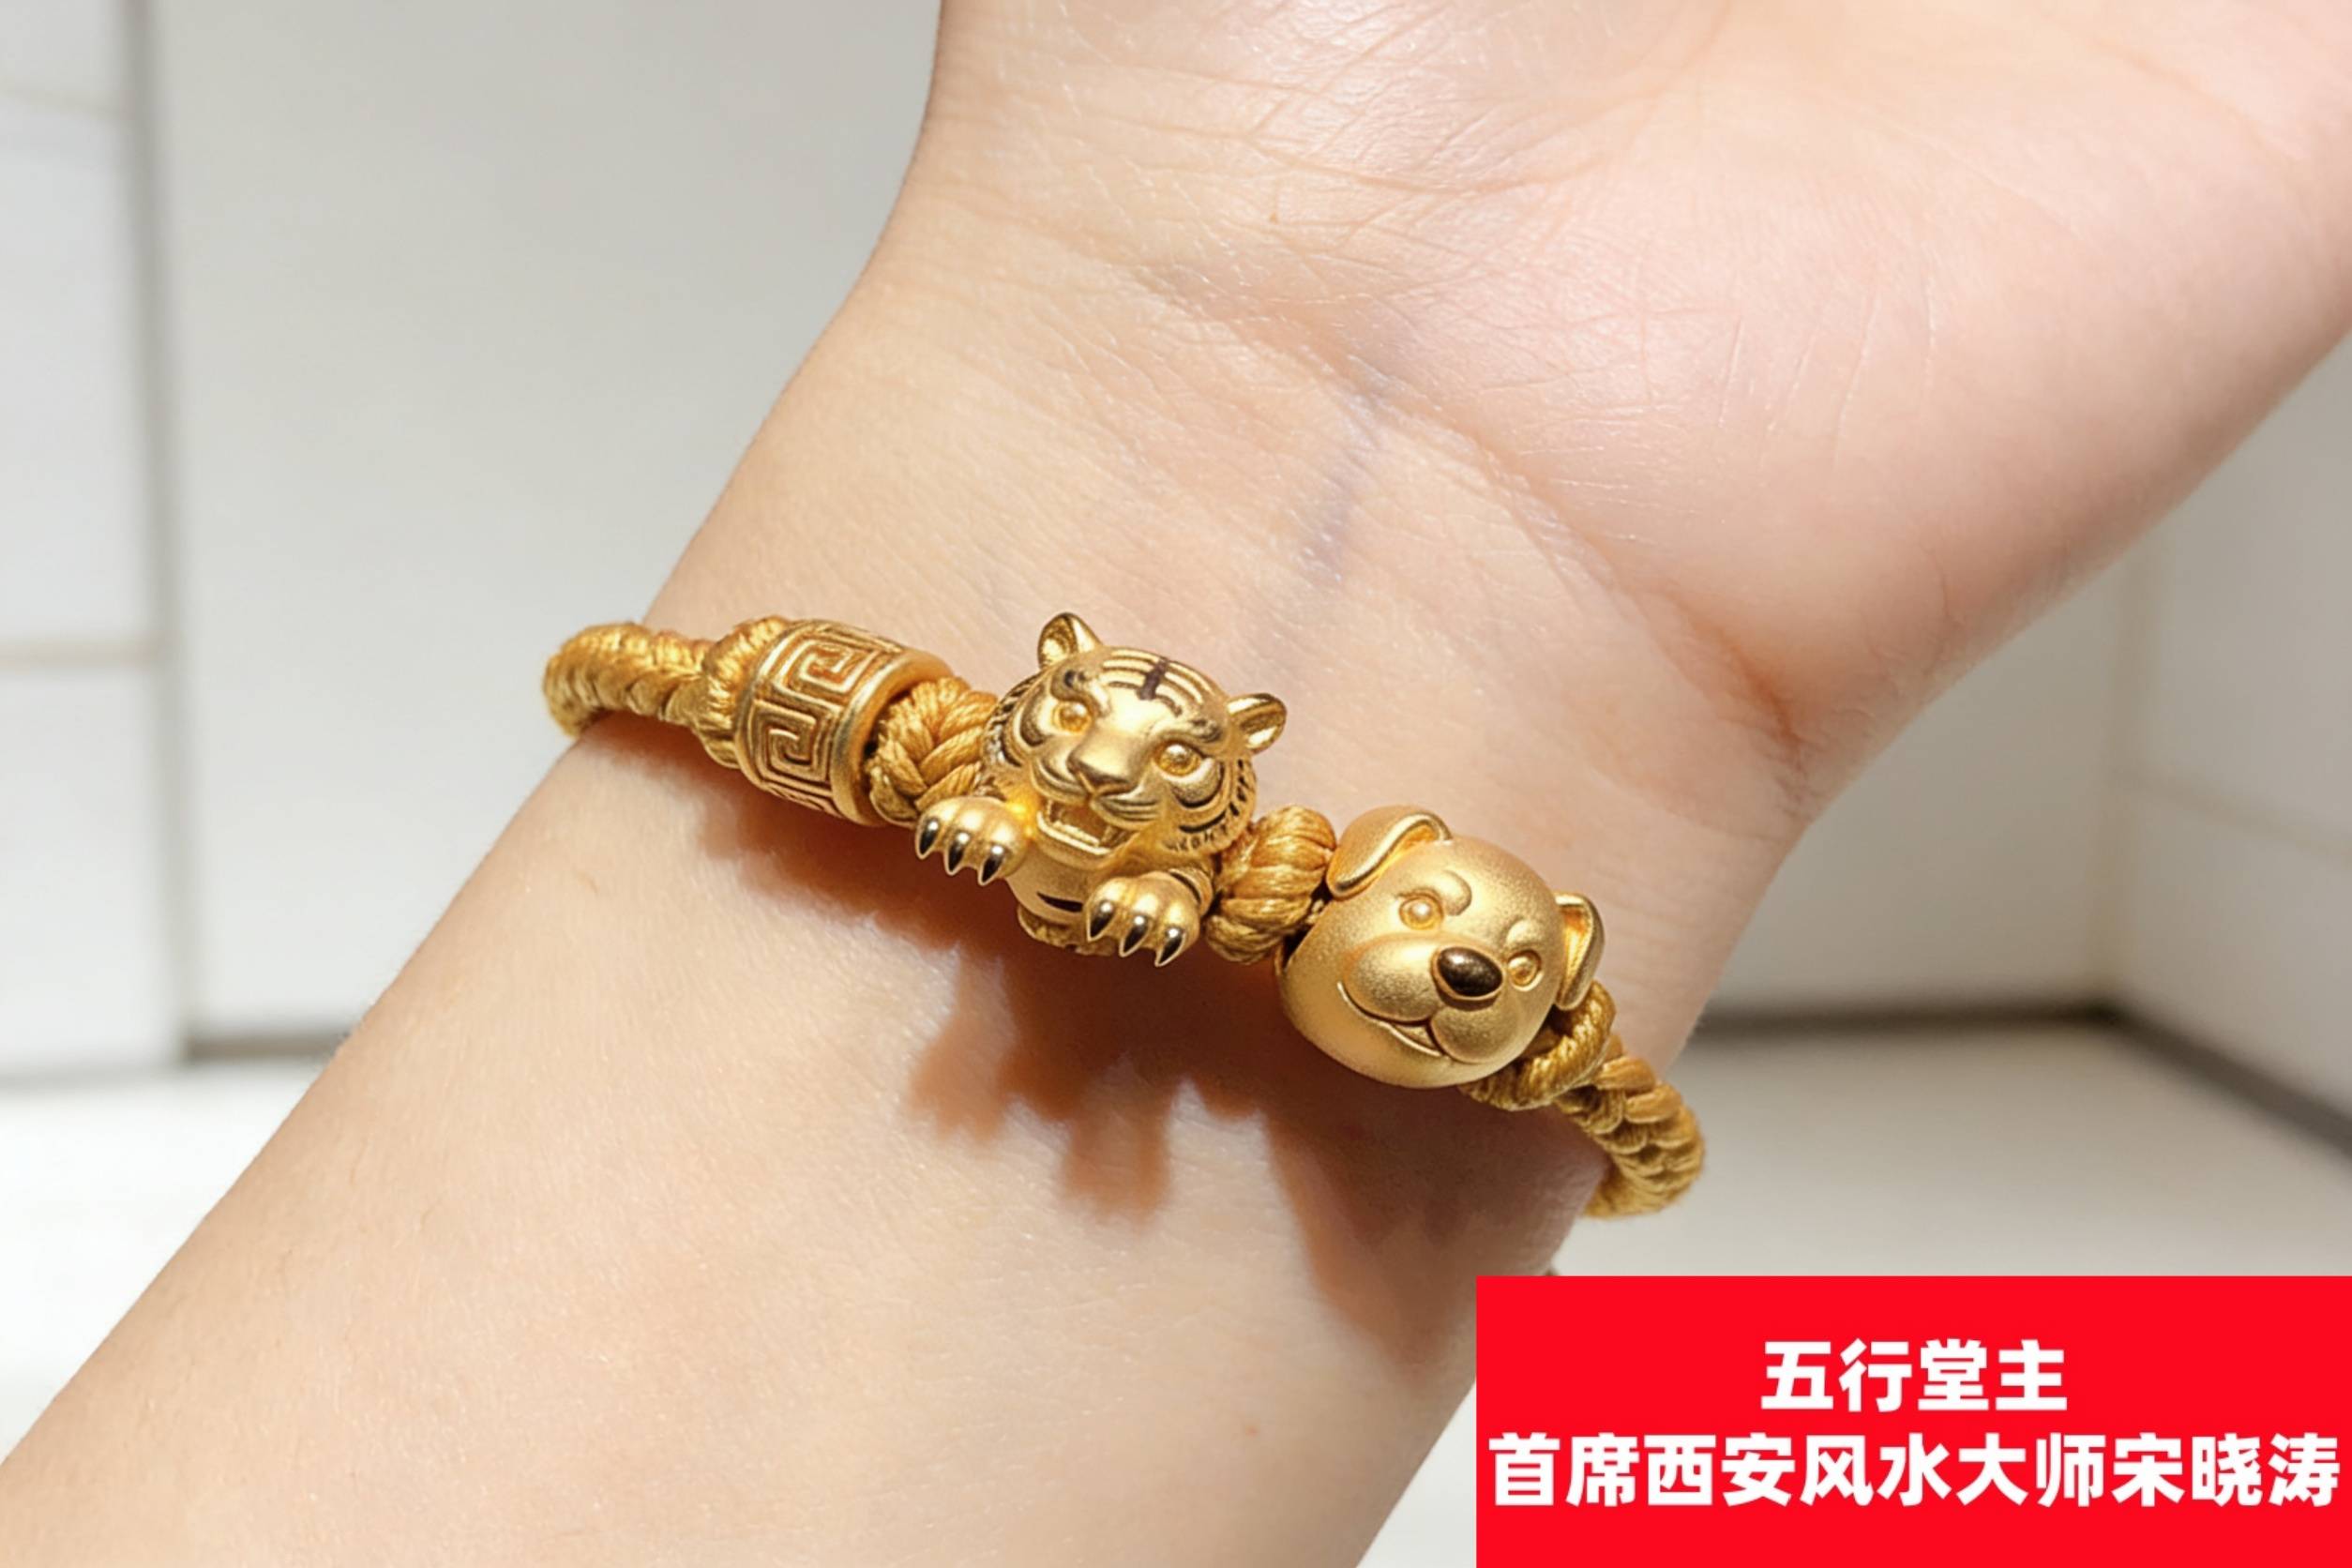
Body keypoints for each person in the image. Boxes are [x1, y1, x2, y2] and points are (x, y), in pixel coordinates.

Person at [5, 3, 2347, 1560]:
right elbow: (1027, 841)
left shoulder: (1292, 883)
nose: (1484, 955)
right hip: (839, 718)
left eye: (1501, 959)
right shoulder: (1085, 796)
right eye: (1487, 942)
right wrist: (1249, 394)